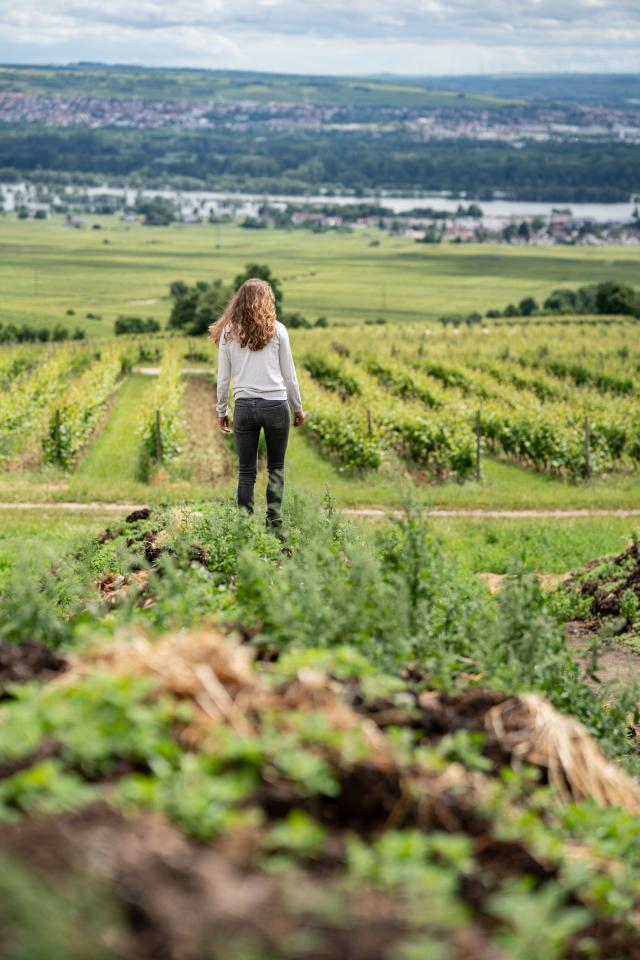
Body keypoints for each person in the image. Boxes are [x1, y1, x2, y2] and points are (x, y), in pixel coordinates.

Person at [210, 278, 305, 530]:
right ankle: (274, 524)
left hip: (244, 406)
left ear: (239, 301)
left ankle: (244, 527)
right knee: (276, 468)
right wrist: (297, 407)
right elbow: (289, 375)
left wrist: (222, 410)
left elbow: (223, 378)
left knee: (246, 472)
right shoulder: (278, 330)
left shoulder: (228, 333)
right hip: (276, 406)